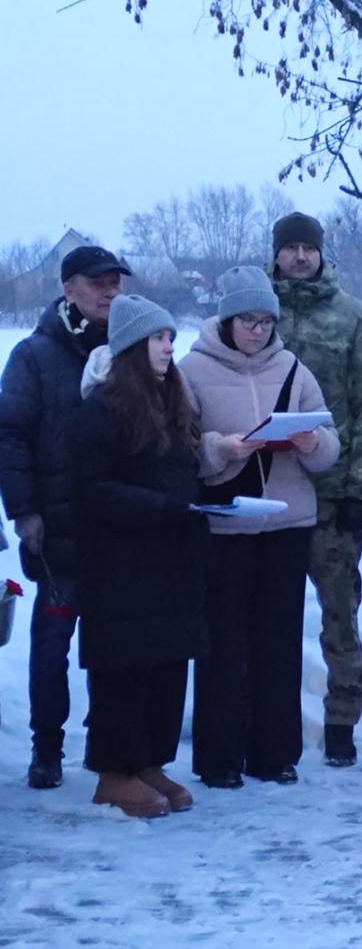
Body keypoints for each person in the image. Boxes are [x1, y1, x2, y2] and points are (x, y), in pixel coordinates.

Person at [180, 266, 340, 788]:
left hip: (287, 525)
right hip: (225, 527)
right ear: (226, 320)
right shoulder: (192, 370)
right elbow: (178, 446)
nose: (258, 330)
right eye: (248, 320)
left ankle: (275, 754)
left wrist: (313, 444)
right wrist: (219, 448)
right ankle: (219, 758)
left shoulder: (293, 368)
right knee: (223, 644)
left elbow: (329, 440)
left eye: (267, 321)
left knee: (278, 642)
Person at [0, 244, 132, 789]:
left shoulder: (130, 352)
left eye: (115, 283)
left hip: (117, 529)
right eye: (98, 283)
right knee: (53, 644)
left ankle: (110, 746)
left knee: (115, 645)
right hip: (56, 530)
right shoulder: (34, 355)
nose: (109, 292)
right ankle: (46, 748)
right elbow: (9, 436)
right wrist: (25, 511)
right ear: (69, 288)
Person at [72, 296, 208, 818]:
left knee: (166, 665)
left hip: (170, 561)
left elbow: (180, 471)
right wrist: (163, 508)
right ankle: (114, 771)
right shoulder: (101, 409)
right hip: (120, 567)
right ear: (131, 346)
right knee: (124, 669)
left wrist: (199, 506)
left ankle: (150, 760)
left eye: (171, 338)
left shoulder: (171, 402)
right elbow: (91, 488)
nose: (169, 348)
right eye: (158, 338)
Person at [269, 212, 362, 767]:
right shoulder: (252, 314)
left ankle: (343, 719)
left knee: (340, 616)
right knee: (261, 616)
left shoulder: (350, 317)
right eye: (289, 248)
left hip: (331, 494)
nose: (298, 257)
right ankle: (262, 720)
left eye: (307, 248)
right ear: (275, 254)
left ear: (321, 254)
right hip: (263, 494)